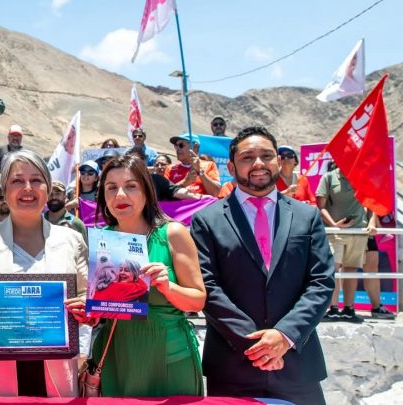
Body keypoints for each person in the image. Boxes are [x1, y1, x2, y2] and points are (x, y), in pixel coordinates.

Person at [192, 126, 334, 405]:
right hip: (233, 367)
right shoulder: (206, 221)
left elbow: (322, 282)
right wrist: (256, 345)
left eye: (266, 156)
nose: (258, 163)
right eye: (247, 157)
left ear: (278, 163)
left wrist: (284, 336)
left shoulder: (307, 216)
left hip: (297, 365)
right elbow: (207, 286)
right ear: (232, 167)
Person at [0, 149, 90, 397]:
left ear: (47, 188)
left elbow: (86, 296)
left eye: (36, 180)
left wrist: (86, 308)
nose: (28, 188)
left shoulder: (72, 239)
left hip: (56, 373)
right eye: (17, 180)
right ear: (4, 190)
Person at [90, 155, 205, 397]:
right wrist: (87, 308)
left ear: (146, 192)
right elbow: (101, 308)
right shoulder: (101, 239)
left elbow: (197, 301)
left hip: (169, 353)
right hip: (117, 354)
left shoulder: (172, 234)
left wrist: (168, 287)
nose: (120, 195)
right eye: (111, 188)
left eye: (131, 186)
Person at [316, 162, 394, 321]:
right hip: (335, 232)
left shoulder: (362, 178)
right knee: (334, 268)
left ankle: (348, 309)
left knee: (351, 270)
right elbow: (320, 206)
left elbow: (371, 204)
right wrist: (334, 225)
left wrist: (371, 224)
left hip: (358, 232)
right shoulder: (329, 177)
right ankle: (333, 308)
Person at [165, 133, 221, 197]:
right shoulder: (170, 168)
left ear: (195, 147)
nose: (177, 149)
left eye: (181, 145)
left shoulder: (209, 165)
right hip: (178, 206)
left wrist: (200, 171)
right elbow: (163, 194)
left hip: (202, 206)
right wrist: (184, 183)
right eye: (175, 146)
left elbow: (216, 193)